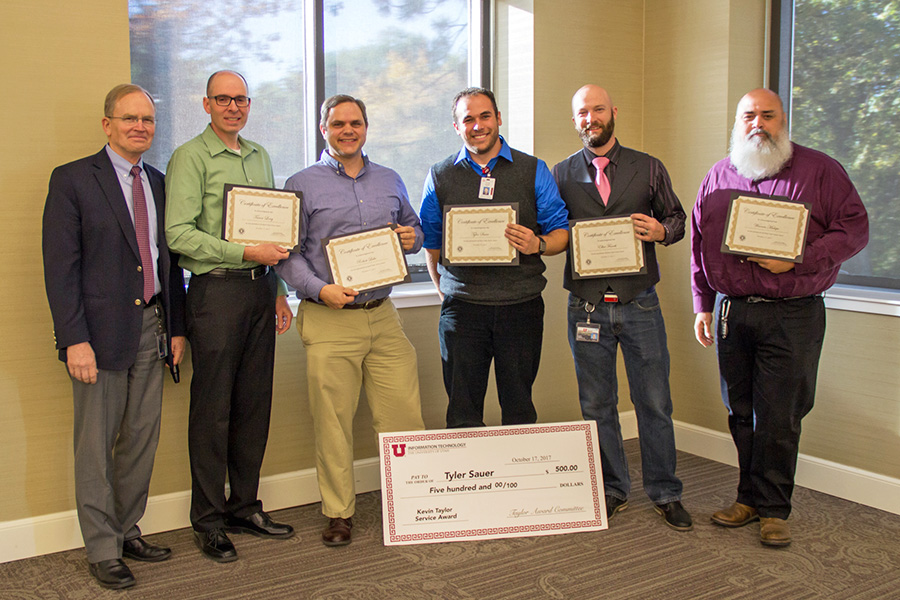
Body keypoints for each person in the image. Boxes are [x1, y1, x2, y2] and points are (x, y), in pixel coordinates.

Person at [691, 88, 868, 547]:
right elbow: (699, 245)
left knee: (781, 415)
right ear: (737, 122)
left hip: (793, 314)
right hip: (733, 313)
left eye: (768, 115)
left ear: (782, 121)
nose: (758, 124)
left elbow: (855, 229)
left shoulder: (820, 170)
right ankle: (747, 498)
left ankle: (774, 509)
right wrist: (703, 304)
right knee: (741, 412)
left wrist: (801, 259)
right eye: (749, 115)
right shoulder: (718, 174)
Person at [42, 84, 187, 589]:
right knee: (96, 445)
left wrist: (177, 328)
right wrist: (73, 339)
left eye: (147, 119)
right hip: (97, 335)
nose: (139, 127)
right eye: (129, 119)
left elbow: (169, 265)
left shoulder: (160, 182)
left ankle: (127, 529)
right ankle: (102, 547)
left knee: (140, 440)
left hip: (153, 326)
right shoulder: (73, 180)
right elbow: (61, 270)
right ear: (108, 124)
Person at [275, 94, 425, 547]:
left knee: (403, 413)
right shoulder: (301, 183)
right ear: (324, 129)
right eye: (338, 123)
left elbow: (415, 233)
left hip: (383, 316)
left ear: (365, 127)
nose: (347, 130)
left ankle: (413, 503)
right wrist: (319, 290)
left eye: (355, 122)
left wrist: (412, 236)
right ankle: (339, 513)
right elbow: (286, 255)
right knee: (333, 421)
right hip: (329, 318)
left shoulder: (390, 178)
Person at [165, 70, 295, 562]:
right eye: (223, 99)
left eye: (241, 99)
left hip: (261, 293)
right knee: (213, 410)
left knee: (252, 405)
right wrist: (245, 253)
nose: (233, 107)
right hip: (215, 294)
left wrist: (279, 290)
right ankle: (209, 519)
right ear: (206, 104)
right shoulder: (190, 157)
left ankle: (244, 505)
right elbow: (178, 234)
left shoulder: (259, 154)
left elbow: (274, 231)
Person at [552, 84, 692, 531]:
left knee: (654, 402)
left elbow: (678, 220)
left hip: (640, 304)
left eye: (597, 109)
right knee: (597, 404)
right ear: (574, 120)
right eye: (581, 112)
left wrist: (660, 231)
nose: (590, 118)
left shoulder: (649, 167)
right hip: (586, 306)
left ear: (614, 112)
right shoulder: (560, 173)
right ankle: (612, 489)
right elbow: (551, 231)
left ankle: (666, 492)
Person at [419, 87, 569, 428]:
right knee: (462, 410)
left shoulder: (534, 170)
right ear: (456, 126)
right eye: (467, 119)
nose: (478, 125)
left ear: (498, 119)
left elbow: (561, 232)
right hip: (463, 311)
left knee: (519, 408)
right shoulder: (440, 175)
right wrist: (445, 292)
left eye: (485, 116)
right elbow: (432, 242)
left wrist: (538, 245)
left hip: (521, 307)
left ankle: (513, 480)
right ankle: (471, 481)